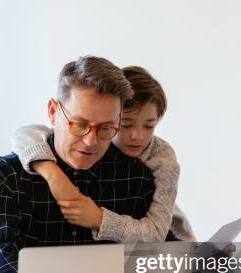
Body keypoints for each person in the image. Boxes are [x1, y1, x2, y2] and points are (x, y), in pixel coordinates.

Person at [0, 56, 164, 273]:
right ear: (53, 112)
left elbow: (148, 256)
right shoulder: (6, 175)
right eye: (79, 124)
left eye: (106, 128)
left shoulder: (137, 177)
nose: (91, 141)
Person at [12, 65, 196, 243]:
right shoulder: (94, 135)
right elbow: (25, 133)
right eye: (126, 124)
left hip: (174, 246)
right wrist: (52, 173)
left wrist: (99, 219)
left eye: (149, 126)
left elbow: (155, 234)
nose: (137, 136)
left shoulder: (162, 159)